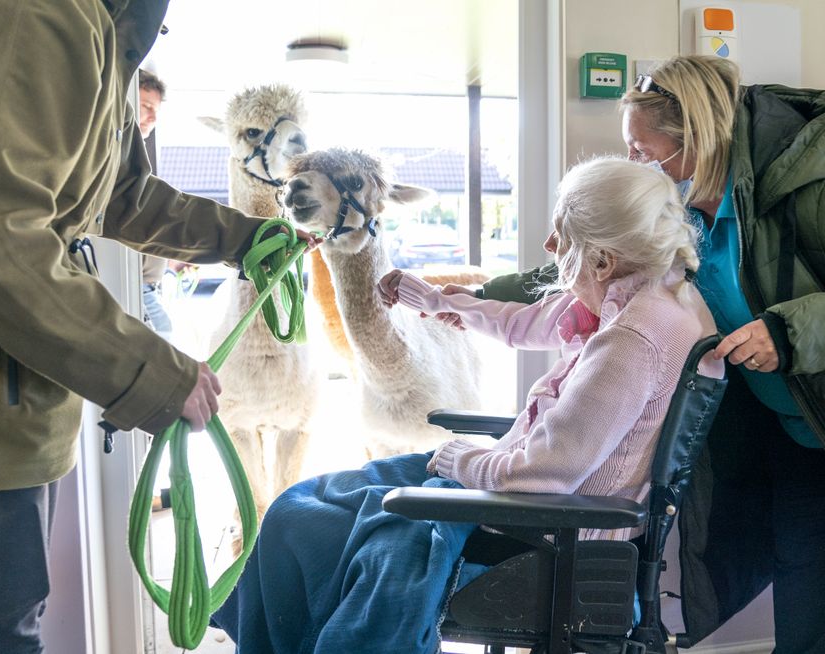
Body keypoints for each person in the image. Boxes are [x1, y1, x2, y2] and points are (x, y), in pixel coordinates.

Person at [462, 55, 825, 653]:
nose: (634, 163)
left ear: (697, 137)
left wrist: (789, 332)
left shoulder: (822, 187)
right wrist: (478, 296)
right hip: (791, 430)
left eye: (643, 150)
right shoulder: (679, 206)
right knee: (800, 586)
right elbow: (592, 260)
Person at [210, 156, 722, 653]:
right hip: (523, 494)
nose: (549, 246)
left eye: (561, 236)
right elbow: (520, 323)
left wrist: (460, 459)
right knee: (315, 499)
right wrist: (434, 300)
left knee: (303, 519)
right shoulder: (651, 292)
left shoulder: (632, 340)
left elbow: (546, 474)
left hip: (543, 526)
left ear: (605, 258)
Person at [0, 2, 319, 652]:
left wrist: (245, 239)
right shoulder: (40, 13)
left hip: (16, 406)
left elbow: (119, 196)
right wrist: (150, 372)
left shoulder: (106, 30)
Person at [137, 68, 176, 337]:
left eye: (156, 111)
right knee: (164, 333)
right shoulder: (126, 160)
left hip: (148, 283)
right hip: (138, 285)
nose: (152, 117)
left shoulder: (138, 158)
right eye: (146, 106)